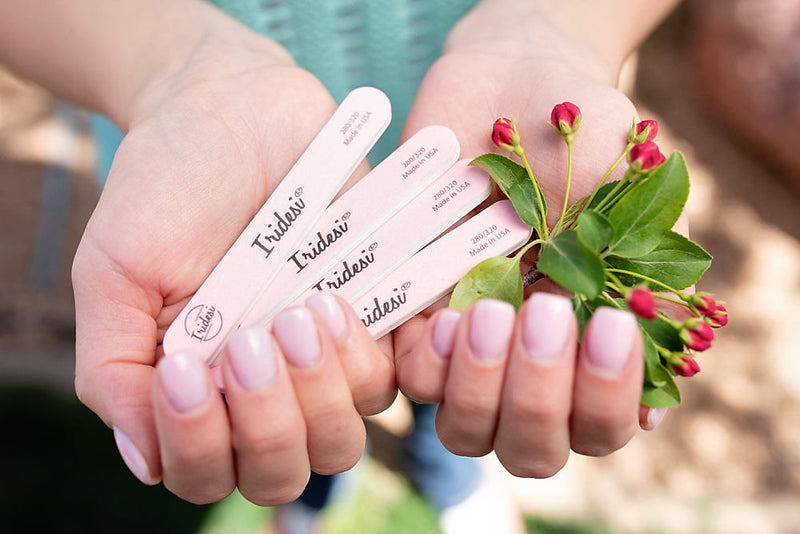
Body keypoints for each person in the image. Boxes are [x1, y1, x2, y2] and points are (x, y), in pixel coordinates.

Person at [0, 0, 682, 532]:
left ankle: (457, 481)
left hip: (486, 165)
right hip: (225, 163)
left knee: (464, 353)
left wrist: (554, 31)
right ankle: (317, 495)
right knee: (306, 390)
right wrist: (176, 66)